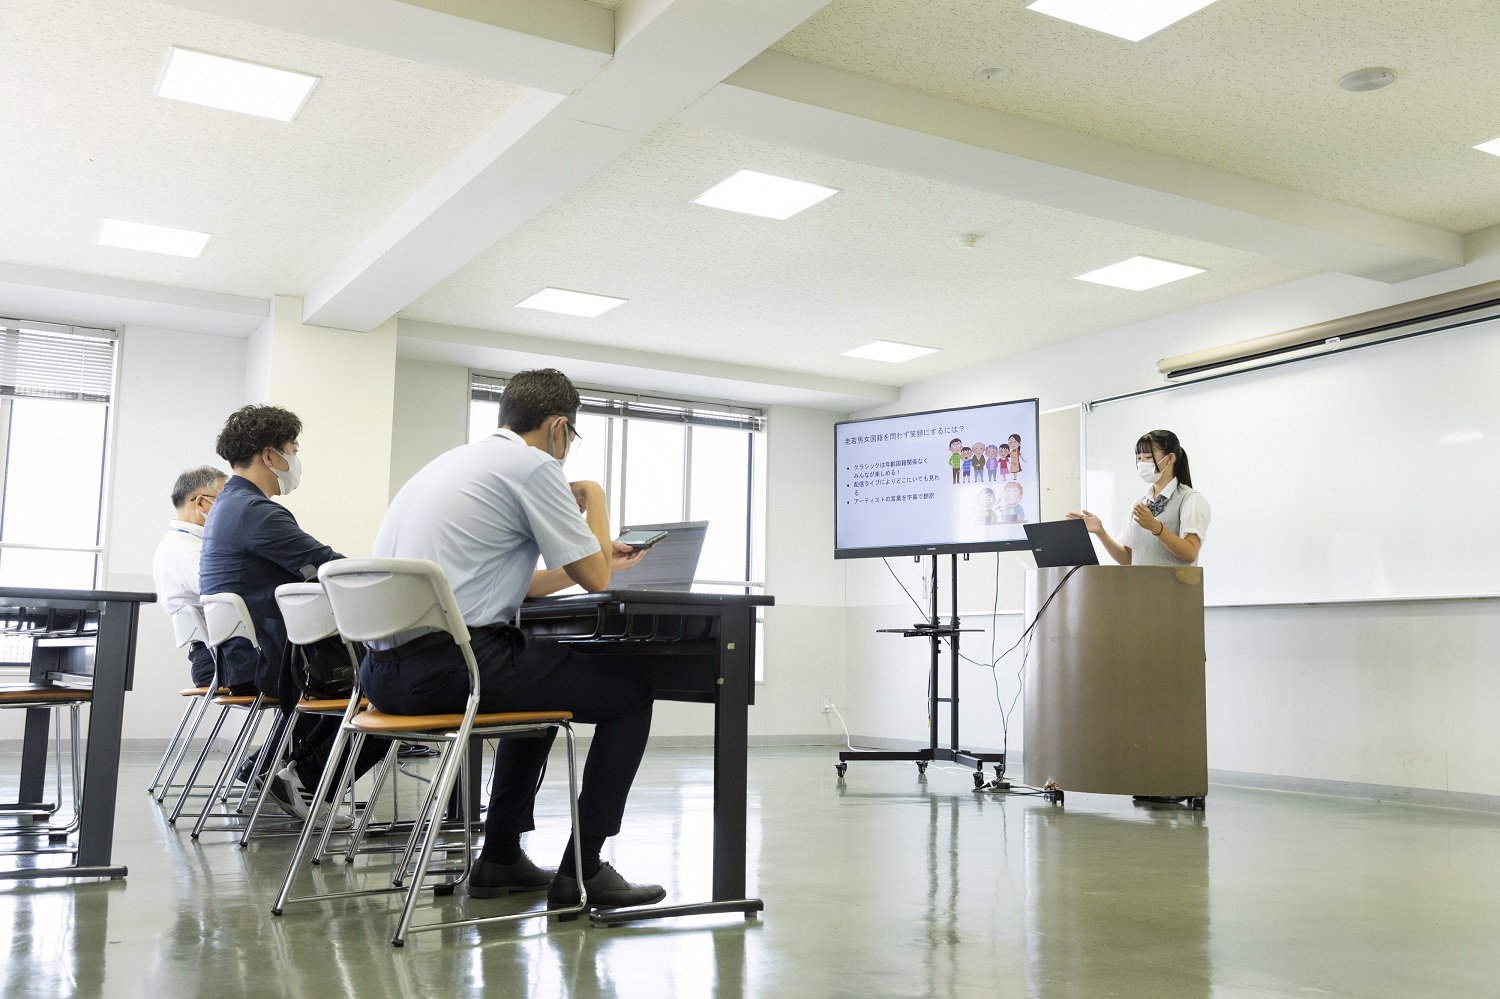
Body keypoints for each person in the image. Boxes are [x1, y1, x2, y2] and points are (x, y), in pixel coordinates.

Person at [363, 367, 664, 912]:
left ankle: (501, 856)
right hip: (453, 667)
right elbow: (594, 579)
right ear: (558, 428)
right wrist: (594, 497)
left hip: (384, 676)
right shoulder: (533, 466)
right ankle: (585, 869)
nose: (567, 449)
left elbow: (521, 583)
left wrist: (599, 560)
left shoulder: (455, 462)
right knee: (631, 693)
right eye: (571, 437)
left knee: (548, 688)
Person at [199, 404, 379, 821]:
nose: (296, 457)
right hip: (270, 661)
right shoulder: (255, 512)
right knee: (387, 680)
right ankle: (308, 780)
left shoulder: (229, 506)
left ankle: (268, 766)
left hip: (242, 655)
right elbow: (329, 568)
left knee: (358, 667)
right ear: (270, 455)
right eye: (293, 447)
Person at [1067, 429, 1210, 566]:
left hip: (1174, 590)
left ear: (1170, 458)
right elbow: (1128, 559)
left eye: (1148, 457)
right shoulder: (1140, 503)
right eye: (1139, 458)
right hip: (1141, 590)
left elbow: (1190, 553)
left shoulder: (1190, 499)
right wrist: (1101, 532)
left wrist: (1157, 528)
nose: (1142, 463)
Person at [150, 465, 225, 686]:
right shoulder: (187, 551)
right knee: (314, 674)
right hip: (218, 661)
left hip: (212, 657)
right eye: (224, 501)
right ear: (201, 502)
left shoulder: (180, 543)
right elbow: (227, 594)